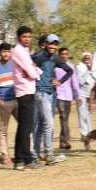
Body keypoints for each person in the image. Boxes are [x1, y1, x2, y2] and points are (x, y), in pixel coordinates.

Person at [31, 34, 73, 164]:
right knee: (47, 124)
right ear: (46, 44)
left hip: (50, 94)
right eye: (50, 43)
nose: (53, 46)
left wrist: (60, 81)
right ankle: (48, 154)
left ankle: (36, 154)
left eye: (55, 44)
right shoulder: (38, 56)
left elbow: (69, 71)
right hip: (39, 93)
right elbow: (26, 65)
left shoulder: (54, 59)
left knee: (41, 126)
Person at [11, 26, 43, 170]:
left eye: (29, 36)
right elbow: (31, 71)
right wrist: (35, 72)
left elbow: (33, 68)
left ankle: (19, 159)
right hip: (24, 91)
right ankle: (27, 159)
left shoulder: (24, 51)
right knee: (26, 127)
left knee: (23, 126)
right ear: (18, 37)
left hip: (27, 90)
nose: (27, 39)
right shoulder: (18, 51)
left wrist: (35, 70)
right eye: (24, 36)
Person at [0, 43, 17, 166]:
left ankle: (22, 152)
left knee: (24, 126)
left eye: (8, 51)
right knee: (3, 129)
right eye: (3, 51)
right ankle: (5, 155)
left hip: (16, 100)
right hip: (3, 102)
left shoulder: (14, 64)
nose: (6, 54)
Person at [54, 47, 80, 151]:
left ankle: (62, 142)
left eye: (66, 54)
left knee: (65, 119)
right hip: (58, 95)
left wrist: (77, 95)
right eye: (62, 54)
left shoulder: (71, 66)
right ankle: (67, 140)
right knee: (63, 117)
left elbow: (74, 81)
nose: (64, 56)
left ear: (68, 55)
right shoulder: (55, 66)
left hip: (68, 96)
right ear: (59, 55)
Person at [75, 52, 96, 142]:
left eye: (89, 57)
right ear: (82, 58)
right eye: (85, 57)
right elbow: (80, 81)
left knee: (90, 114)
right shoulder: (79, 67)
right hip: (82, 93)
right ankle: (83, 133)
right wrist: (88, 71)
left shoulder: (94, 68)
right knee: (82, 114)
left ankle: (89, 133)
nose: (87, 59)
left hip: (91, 94)